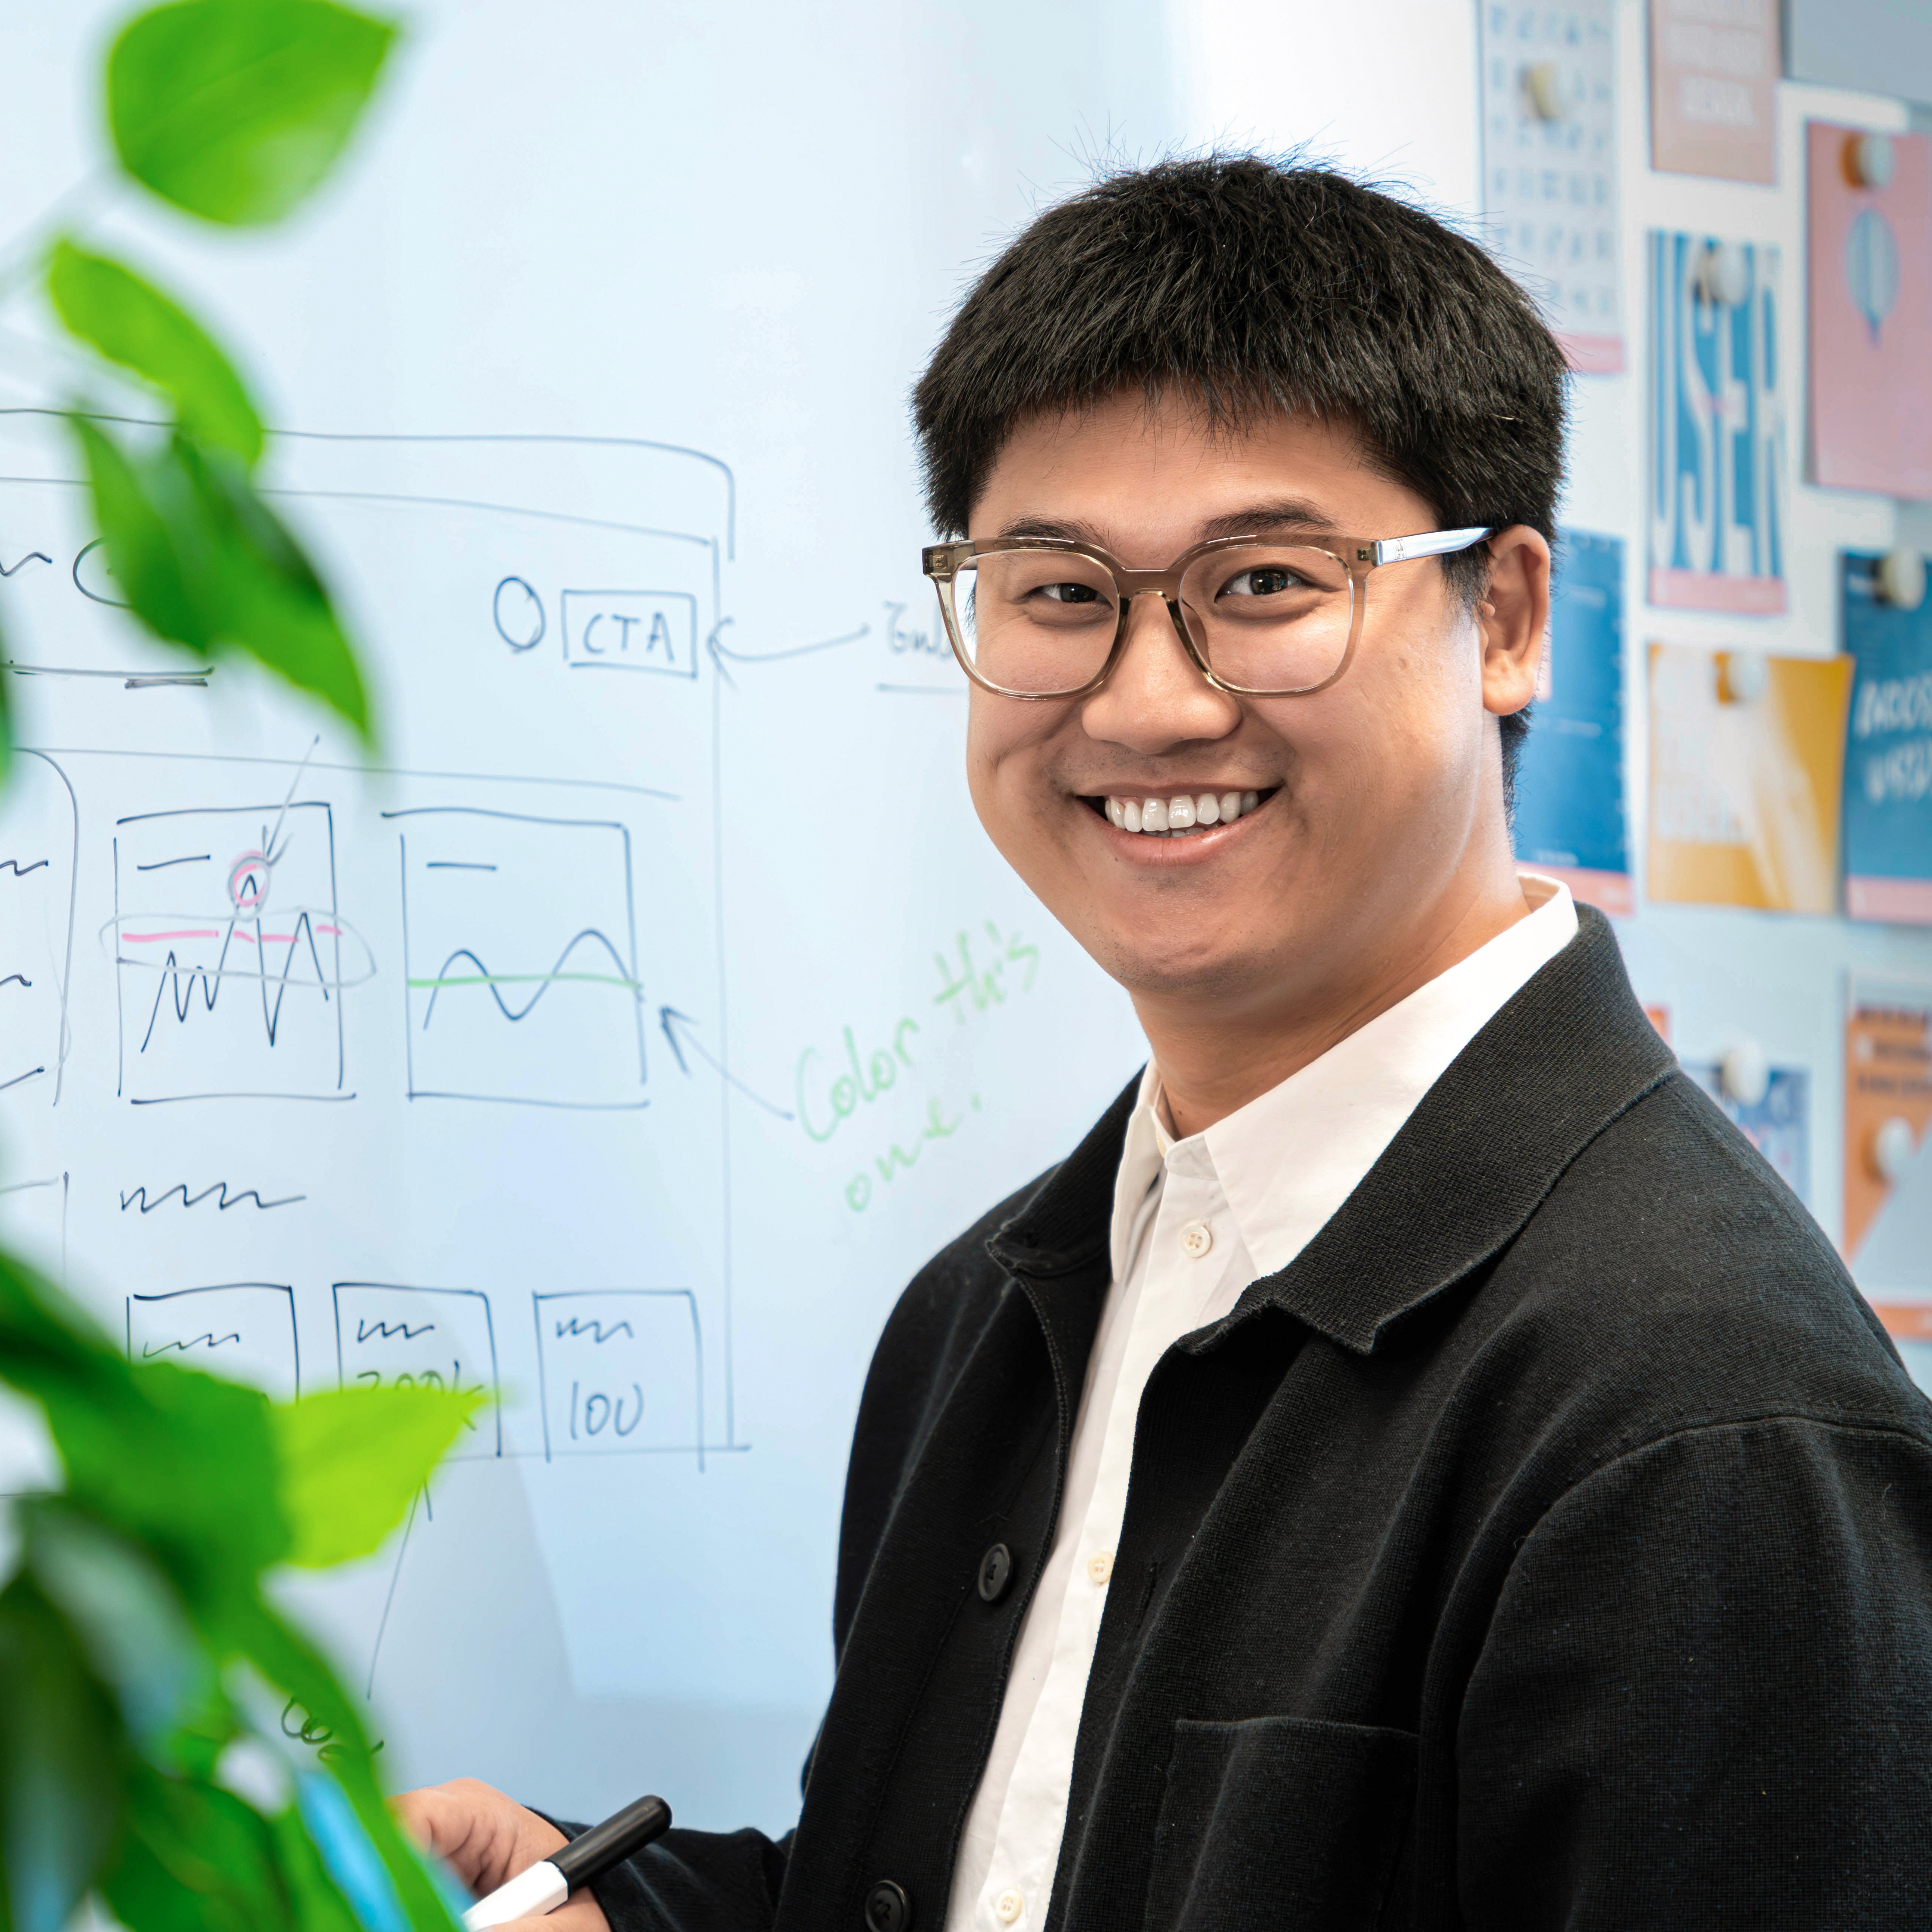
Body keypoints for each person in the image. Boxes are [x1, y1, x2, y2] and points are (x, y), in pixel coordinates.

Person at [399, 157, 1932, 1930]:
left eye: (1267, 580)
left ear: (1504, 617)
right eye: (1056, 592)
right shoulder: (986, 1317)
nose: (1147, 700)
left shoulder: (1702, 1428)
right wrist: (641, 1913)